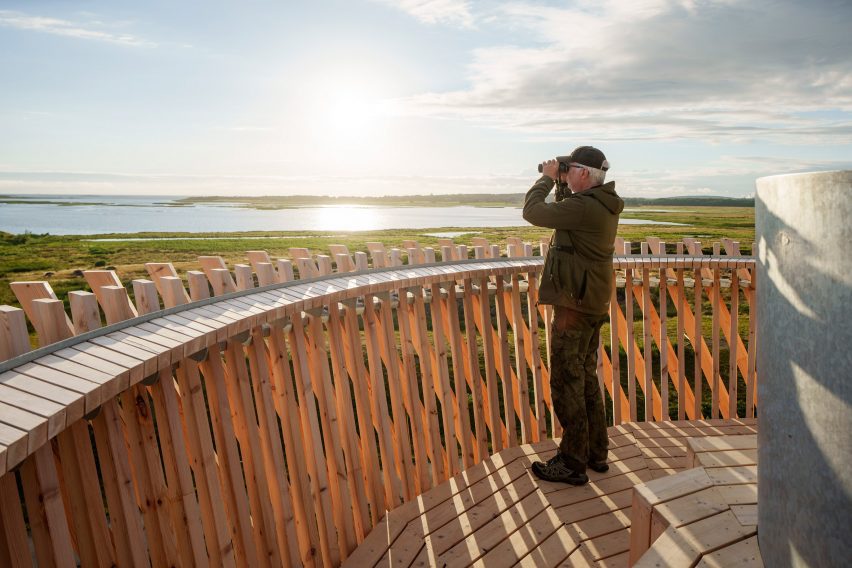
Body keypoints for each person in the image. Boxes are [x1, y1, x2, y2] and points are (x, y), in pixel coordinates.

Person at [522, 145, 624, 485]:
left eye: (570, 170)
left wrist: (546, 179)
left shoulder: (584, 208)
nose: (564, 174)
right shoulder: (600, 204)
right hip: (590, 302)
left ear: (583, 173)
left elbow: (534, 212)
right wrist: (563, 182)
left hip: (574, 307)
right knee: (585, 379)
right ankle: (596, 452)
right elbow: (567, 211)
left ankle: (571, 461)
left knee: (567, 382)